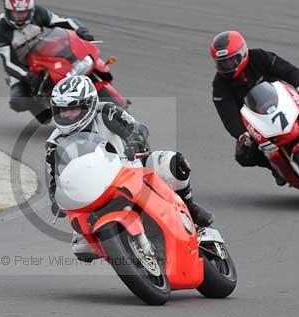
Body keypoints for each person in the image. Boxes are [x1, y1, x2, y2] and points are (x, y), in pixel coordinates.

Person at [45, 75, 214, 261]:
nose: (67, 114)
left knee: (173, 163)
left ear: (89, 103)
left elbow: (136, 127)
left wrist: (134, 140)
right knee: (82, 247)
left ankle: (191, 208)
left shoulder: (106, 112)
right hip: (92, 192)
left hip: (129, 169)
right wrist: (57, 200)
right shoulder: (54, 142)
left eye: (73, 108)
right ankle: (125, 252)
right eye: (62, 109)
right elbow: (54, 178)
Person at [210, 30, 299, 185]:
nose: (227, 66)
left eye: (231, 61)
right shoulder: (219, 86)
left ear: (242, 53)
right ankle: (275, 167)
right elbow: (228, 117)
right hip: (257, 122)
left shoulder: (260, 57)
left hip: (284, 103)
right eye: (222, 63)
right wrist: (242, 135)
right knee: (243, 155)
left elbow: (289, 71)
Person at [0, 0, 95, 121]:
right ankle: (43, 108)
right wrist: (27, 76)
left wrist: (81, 30)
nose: (21, 17)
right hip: (21, 67)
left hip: (43, 55)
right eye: (17, 13)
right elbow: (8, 63)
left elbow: (62, 21)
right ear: (7, 10)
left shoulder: (38, 13)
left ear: (31, 9)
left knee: (76, 61)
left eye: (24, 12)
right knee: (19, 102)